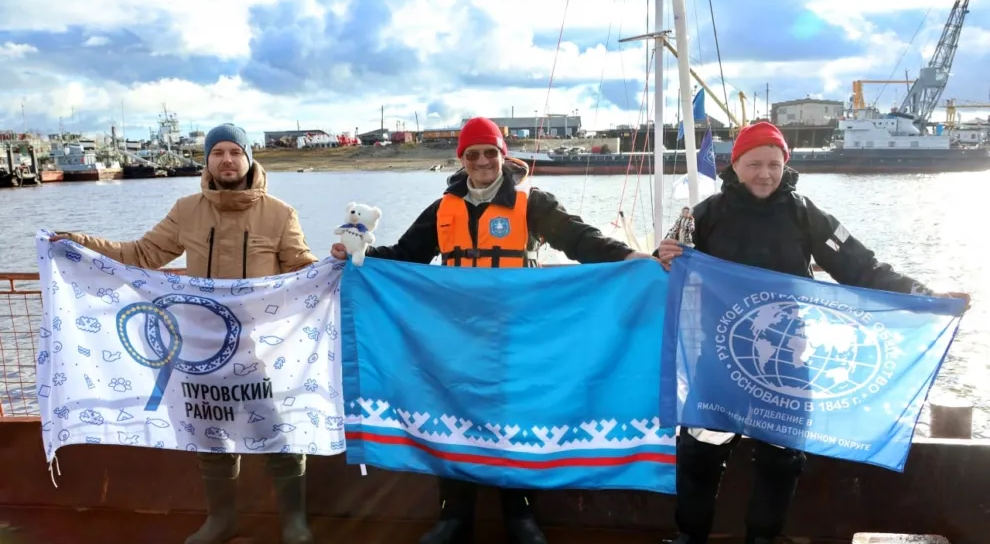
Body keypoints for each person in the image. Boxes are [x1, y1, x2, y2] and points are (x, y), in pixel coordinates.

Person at [331, 116, 655, 544]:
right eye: (473, 154)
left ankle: (519, 514)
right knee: (451, 413)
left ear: (503, 155)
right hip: (456, 336)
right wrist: (357, 261)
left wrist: (632, 259)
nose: (482, 161)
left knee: (515, 415)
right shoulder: (442, 208)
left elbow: (580, 240)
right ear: (461, 159)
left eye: (490, 152)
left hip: (516, 334)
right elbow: (406, 255)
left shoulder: (532, 203)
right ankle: (453, 514)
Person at [654, 121, 971, 544]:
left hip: (788, 355)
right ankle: (690, 535)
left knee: (780, 458)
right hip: (720, 357)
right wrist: (664, 255)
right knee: (700, 452)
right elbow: (669, 263)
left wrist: (925, 295)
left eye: (774, 164)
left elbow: (863, 267)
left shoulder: (806, 213)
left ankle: (763, 538)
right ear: (736, 165)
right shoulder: (706, 214)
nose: (765, 174)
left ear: (786, 165)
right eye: (754, 164)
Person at [51, 123, 319, 544]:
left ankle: (294, 523)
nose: (226, 160)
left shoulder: (280, 213)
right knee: (208, 435)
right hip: (199, 350)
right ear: (207, 161)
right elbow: (141, 255)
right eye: (218, 153)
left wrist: (339, 263)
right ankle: (221, 520)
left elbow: (302, 269)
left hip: (259, 351)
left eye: (234, 152)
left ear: (249, 159)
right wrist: (79, 242)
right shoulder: (186, 209)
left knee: (279, 435)